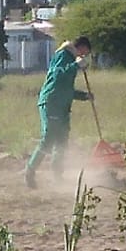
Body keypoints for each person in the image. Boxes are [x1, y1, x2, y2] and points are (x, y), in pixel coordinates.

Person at [24, 37, 92, 188]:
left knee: (61, 141)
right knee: (48, 138)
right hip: (51, 102)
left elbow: (66, 89)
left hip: (62, 107)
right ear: (80, 47)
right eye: (84, 53)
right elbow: (57, 76)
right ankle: (30, 171)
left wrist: (84, 96)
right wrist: (75, 65)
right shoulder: (63, 55)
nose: (84, 56)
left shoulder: (71, 59)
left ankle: (57, 176)